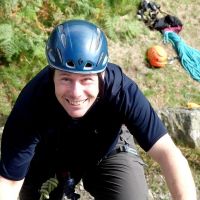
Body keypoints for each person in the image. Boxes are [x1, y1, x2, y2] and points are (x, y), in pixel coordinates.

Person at [0, 19, 197, 200]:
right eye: (66, 78)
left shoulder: (121, 91)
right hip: (49, 155)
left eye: (86, 79)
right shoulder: (32, 102)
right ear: (52, 74)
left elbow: (167, 153)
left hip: (107, 149)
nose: (76, 93)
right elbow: (8, 184)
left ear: (102, 74)